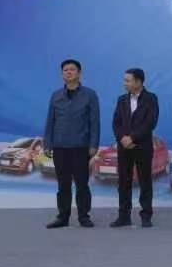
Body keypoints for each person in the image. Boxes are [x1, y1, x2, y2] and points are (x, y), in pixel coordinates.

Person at [43, 59, 100, 228]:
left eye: (72, 69)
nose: (68, 72)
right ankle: (63, 217)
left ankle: (84, 216)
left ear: (79, 73)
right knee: (63, 184)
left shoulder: (90, 95)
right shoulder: (56, 95)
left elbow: (94, 122)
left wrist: (93, 144)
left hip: (81, 147)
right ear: (62, 74)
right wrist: (47, 143)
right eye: (65, 70)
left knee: (82, 184)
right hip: (60, 147)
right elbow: (50, 121)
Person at [111, 68, 159, 228]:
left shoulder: (151, 99)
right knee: (123, 182)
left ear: (138, 82)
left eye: (128, 80)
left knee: (145, 181)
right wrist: (122, 138)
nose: (124, 83)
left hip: (142, 146)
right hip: (124, 147)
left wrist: (132, 138)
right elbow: (116, 122)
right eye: (124, 80)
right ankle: (123, 216)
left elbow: (150, 122)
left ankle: (146, 216)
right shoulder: (122, 100)